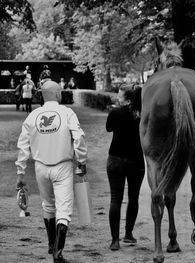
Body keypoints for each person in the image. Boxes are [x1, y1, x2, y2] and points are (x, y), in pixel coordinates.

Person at [15, 80, 88, 263]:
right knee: (63, 210)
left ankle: (50, 245)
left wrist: (20, 173)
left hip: (40, 167)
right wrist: (81, 160)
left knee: (47, 205)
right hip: (62, 166)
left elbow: (23, 145)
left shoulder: (33, 115)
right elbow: (78, 137)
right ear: (57, 94)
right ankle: (58, 252)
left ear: (41, 95)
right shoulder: (67, 112)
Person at [106, 86, 145, 251]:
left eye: (120, 95)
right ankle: (128, 234)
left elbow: (109, 128)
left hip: (115, 159)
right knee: (133, 198)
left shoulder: (115, 112)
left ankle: (115, 240)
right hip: (136, 160)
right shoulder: (141, 115)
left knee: (116, 199)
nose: (117, 97)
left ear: (128, 99)